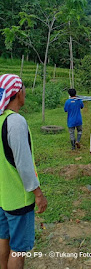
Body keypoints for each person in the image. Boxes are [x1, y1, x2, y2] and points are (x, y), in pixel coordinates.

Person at [0, 74, 47, 269]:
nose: (25, 93)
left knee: (3, 240)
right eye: (24, 89)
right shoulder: (16, 122)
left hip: (3, 196)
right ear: (18, 93)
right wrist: (38, 193)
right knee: (18, 249)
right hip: (19, 198)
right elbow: (24, 164)